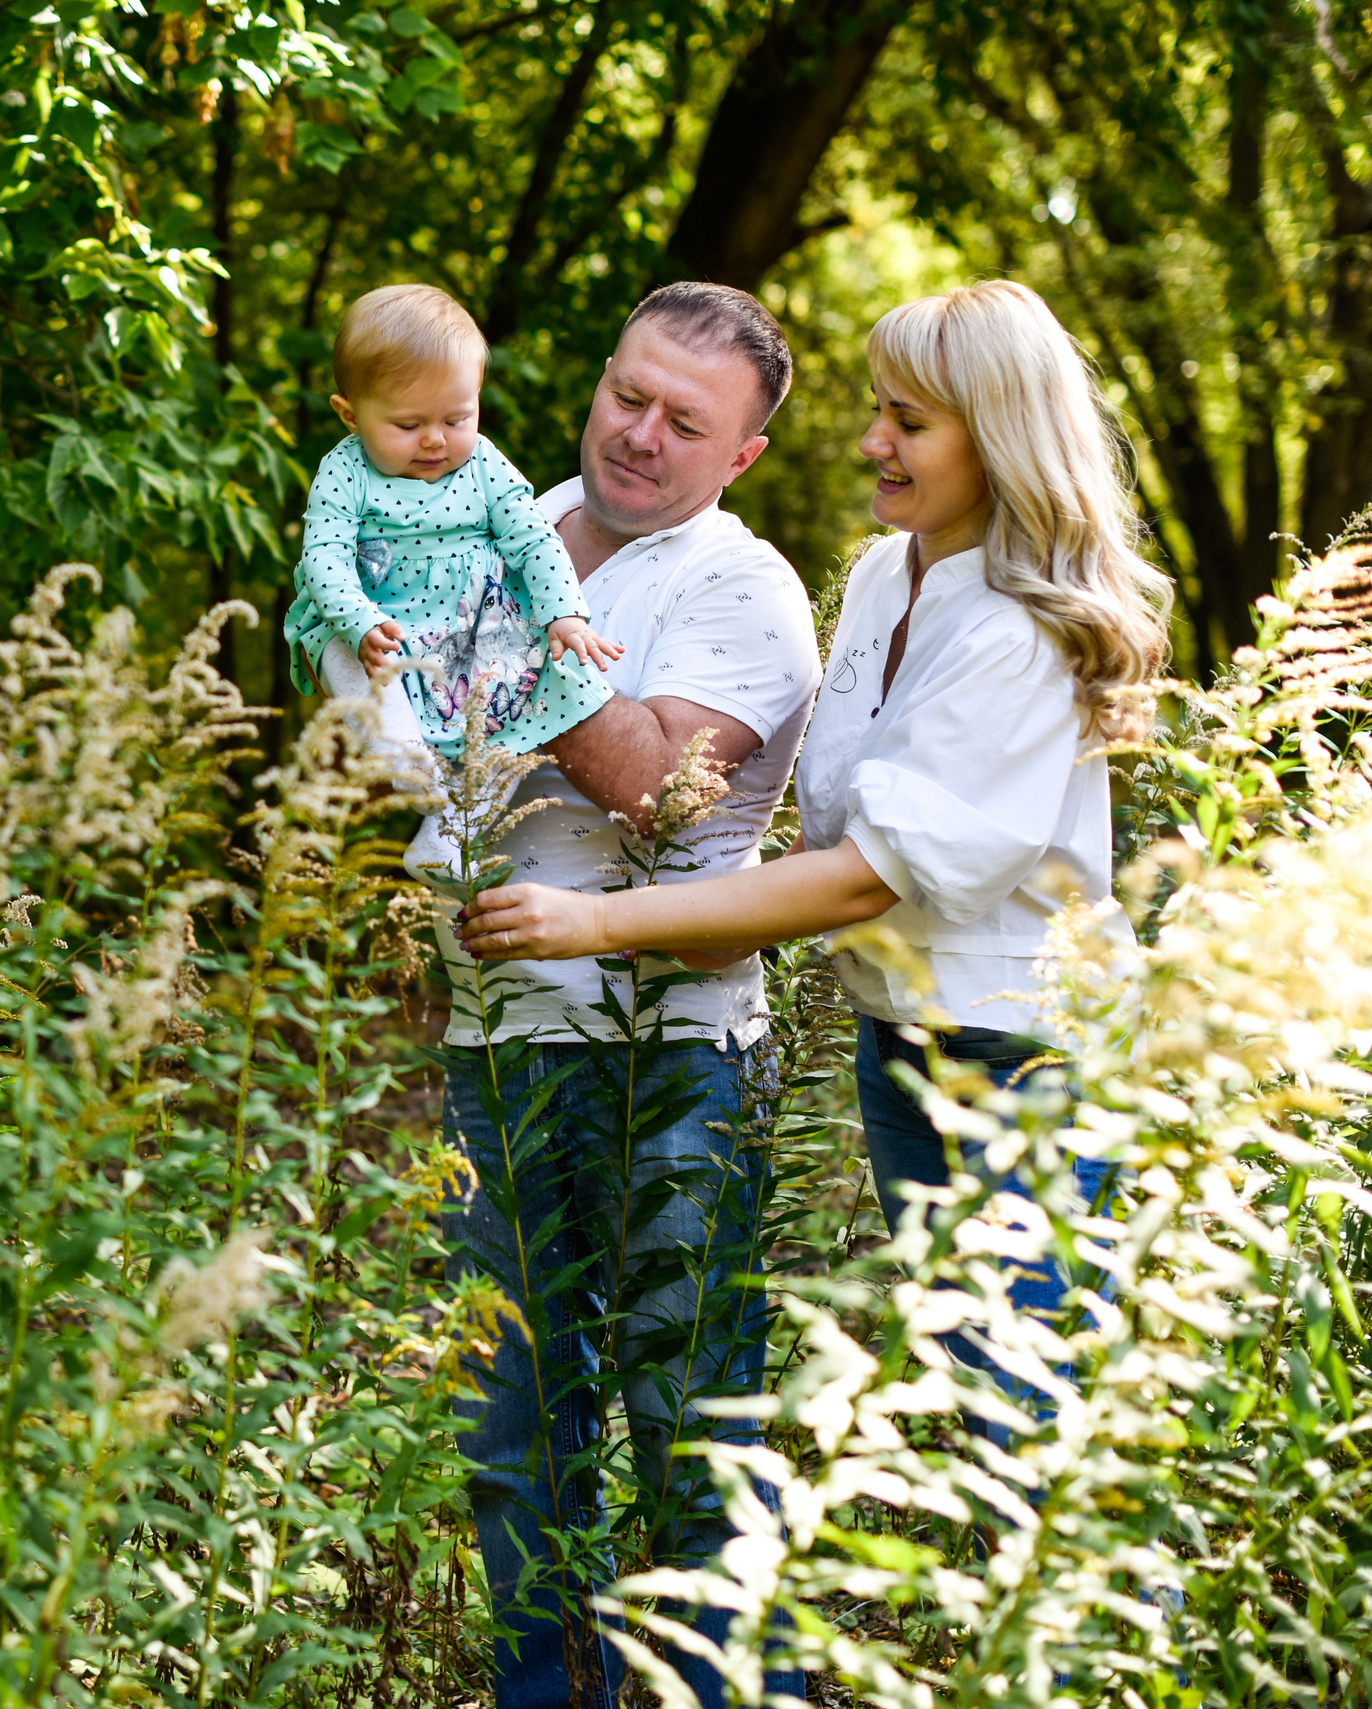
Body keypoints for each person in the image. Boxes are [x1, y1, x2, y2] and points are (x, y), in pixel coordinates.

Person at [456, 279, 1172, 1414]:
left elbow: (859, 875)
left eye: (909, 421)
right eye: (878, 408)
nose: (870, 440)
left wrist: (599, 920)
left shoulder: (1021, 627)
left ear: (996, 438)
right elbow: (827, 814)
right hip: (902, 1038)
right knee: (976, 1401)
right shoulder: (889, 575)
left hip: (1026, 1057)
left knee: (1031, 1419)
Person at [418, 282, 821, 1709]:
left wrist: (517, 609)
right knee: (514, 1423)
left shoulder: (738, 586)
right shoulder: (509, 518)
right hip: (499, 1041)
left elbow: (661, 787)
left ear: (741, 457)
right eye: (625, 394)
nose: (639, 434)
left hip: (673, 1058)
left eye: (684, 420)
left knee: (686, 1419)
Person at [284, 284, 625, 765]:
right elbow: (323, 558)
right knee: (341, 654)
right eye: (407, 426)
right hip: (371, 621)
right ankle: (400, 752)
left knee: (533, 698)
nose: (434, 441)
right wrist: (360, 623)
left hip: (470, 625)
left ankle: (449, 834)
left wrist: (564, 612)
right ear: (350, 415)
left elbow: (533, 537)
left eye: (457, 418)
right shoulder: (346, 471)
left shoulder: (484, 463)